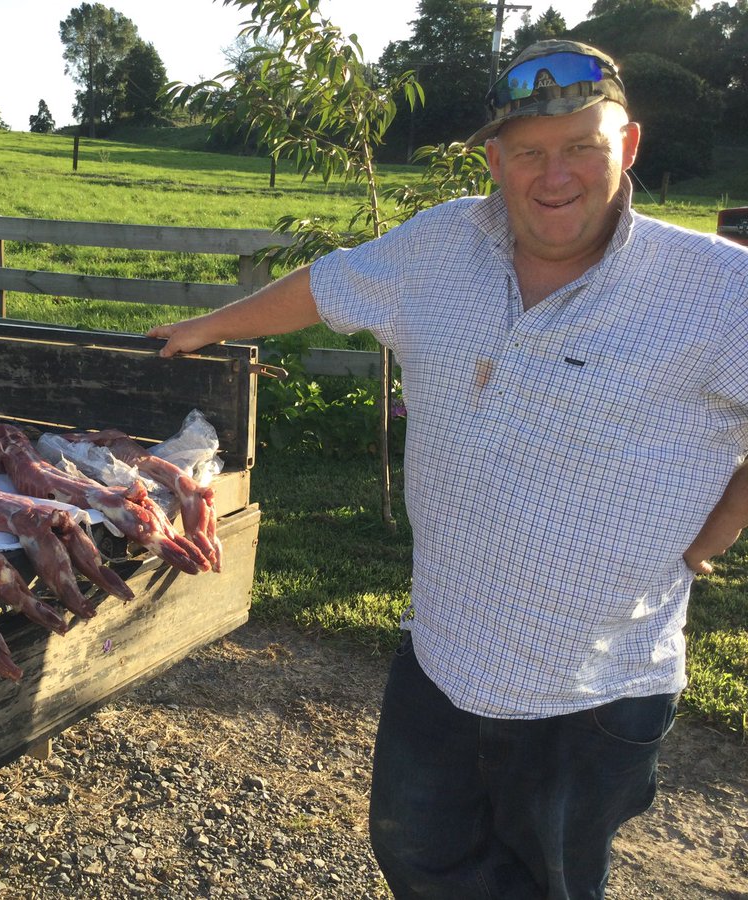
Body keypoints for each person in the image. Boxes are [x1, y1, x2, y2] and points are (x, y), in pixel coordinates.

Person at [149, 39, 748, 899]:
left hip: (593, 686)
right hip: (442, 655)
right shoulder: (441, 244)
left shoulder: (717, 290)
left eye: (582, 145)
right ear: (495, 159)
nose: (555, 176)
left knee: (552, 883)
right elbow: (328, 283)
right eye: (530, 152)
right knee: (415, 855)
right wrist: (208, 328)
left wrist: (721, 525)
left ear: (631, 146)